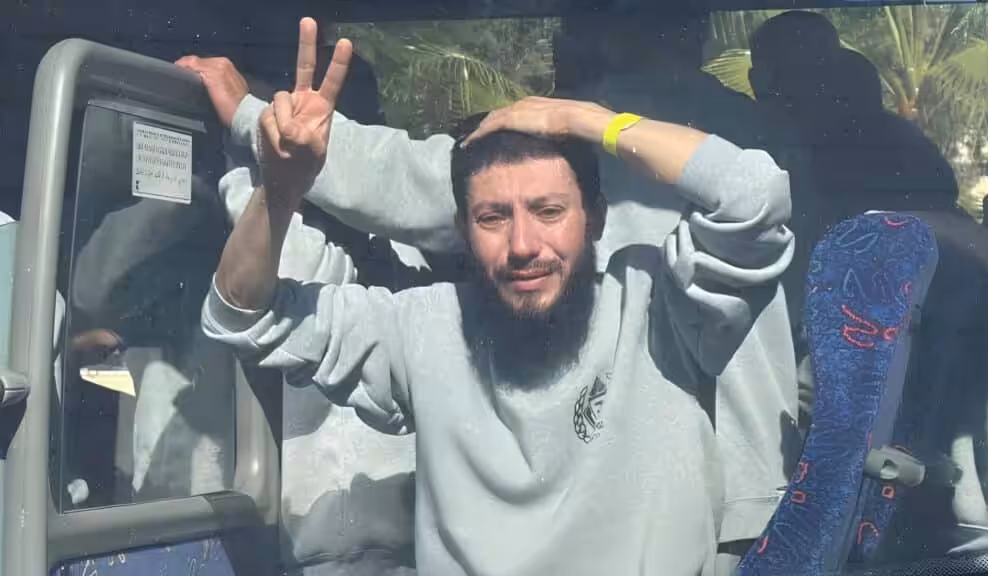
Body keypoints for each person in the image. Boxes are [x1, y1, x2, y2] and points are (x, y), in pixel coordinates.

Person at [201, 17, 796, 576]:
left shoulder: (658, 311)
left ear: (595, 219)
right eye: (492, 218)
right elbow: (242, 316)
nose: (522, 244)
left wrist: (587, 119)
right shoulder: (423, 329)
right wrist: (278, 193)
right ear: (462, 232)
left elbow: (754, 196)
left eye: (548, 212)